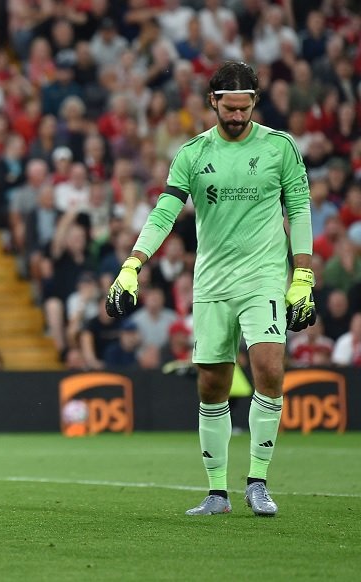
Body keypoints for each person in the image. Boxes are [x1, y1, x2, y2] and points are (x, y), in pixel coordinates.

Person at [105, 62, 315, 517]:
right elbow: (164, 213)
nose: (237, 116)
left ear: (255, 101)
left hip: (263, 277)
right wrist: (132, 264)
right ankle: (217, 492)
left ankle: (258, 481)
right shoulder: (192, 153)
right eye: (229, 107)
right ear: (212, 102)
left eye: (245, 107)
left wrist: (302, 276)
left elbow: (298, 209)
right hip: (213, 281)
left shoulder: (281, 148)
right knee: (212, 384)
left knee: (269, 366)